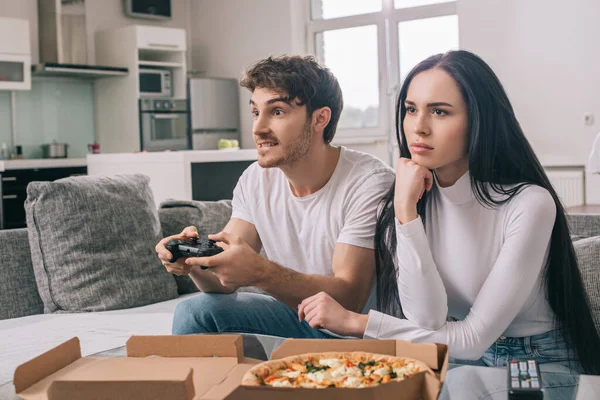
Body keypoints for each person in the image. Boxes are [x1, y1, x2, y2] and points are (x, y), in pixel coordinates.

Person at [296, 50, 600, 398]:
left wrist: (355, 322)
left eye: (439, 111)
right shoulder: (407, 199)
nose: (419, 126)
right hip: (462, 359)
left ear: (479, 119)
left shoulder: (529, 203)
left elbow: (471, 339)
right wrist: (405, 212)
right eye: (411, 109)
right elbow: (426, 321)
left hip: (535, 361)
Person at [155, 55, 395, 339]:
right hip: (298, 319)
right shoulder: (256, 178)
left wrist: (261, 272)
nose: (258, 128)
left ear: (320, 118)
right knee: (194, 311)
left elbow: (349, 299)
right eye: (256, 112)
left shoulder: (368, 181)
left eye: (277, 112)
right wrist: (192, 263)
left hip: (362, 333)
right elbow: (222, 284)